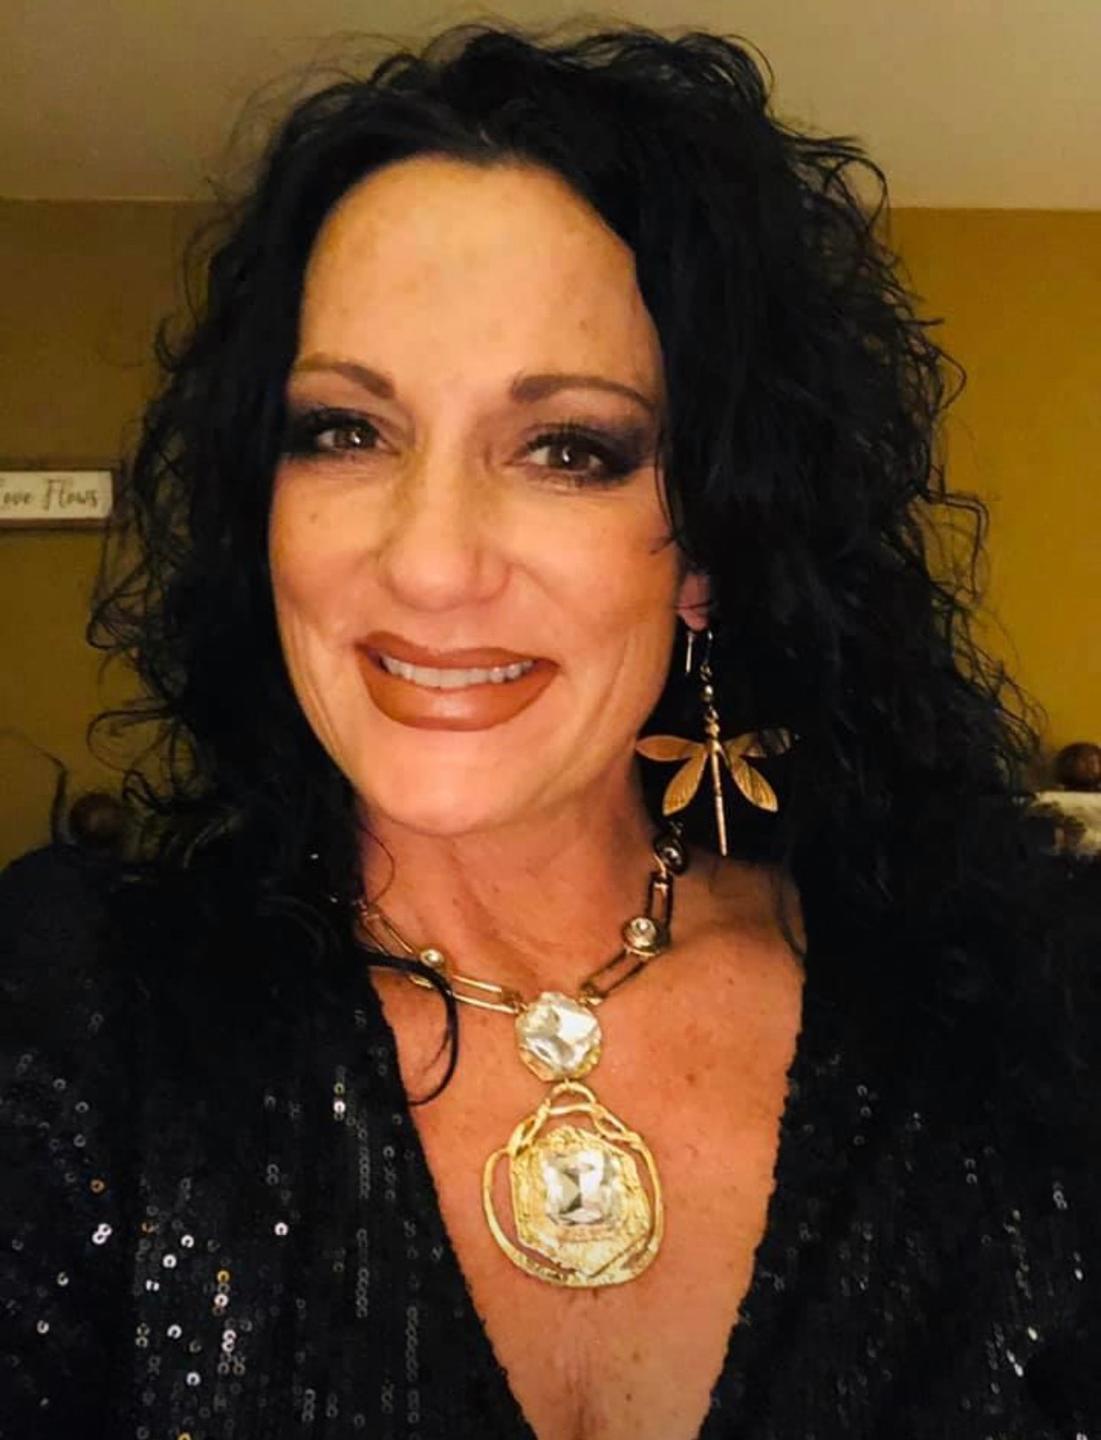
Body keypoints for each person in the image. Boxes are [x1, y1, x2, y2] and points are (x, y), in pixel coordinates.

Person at [2, 19, 1098, 1439]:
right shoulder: (74, 1020)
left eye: (568, 448)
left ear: (711, 544)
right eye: (344, 430)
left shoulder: (1024, 1020)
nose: (428, 564)